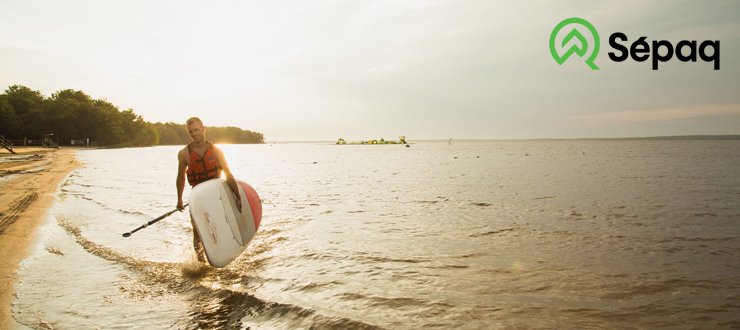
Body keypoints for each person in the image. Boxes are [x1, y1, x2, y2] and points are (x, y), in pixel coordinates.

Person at [176, 117, 242, 263]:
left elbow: (228, 174)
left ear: (203, 129)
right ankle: (202, 263)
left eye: (196, 130)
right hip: (198, 198)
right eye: (190, 132)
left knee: (221, 226)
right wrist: (179, 199)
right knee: (197, 231)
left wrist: (238, 197)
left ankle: (224, 256)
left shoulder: (216, 151)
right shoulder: (184, 154)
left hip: (215, 196)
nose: (194, 134)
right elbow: (180, 177)